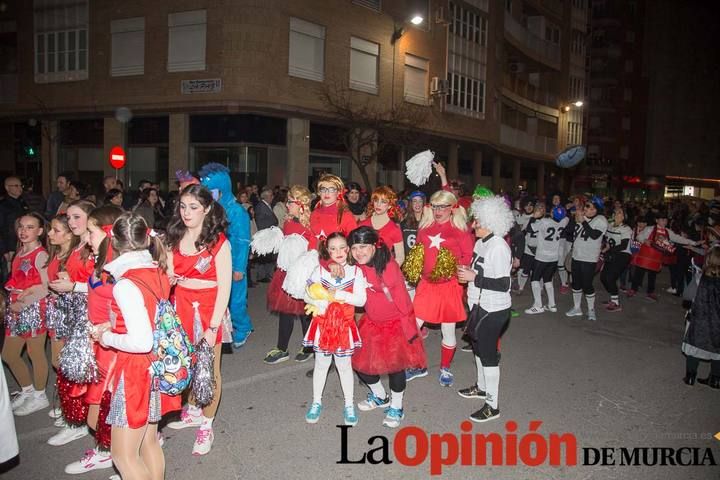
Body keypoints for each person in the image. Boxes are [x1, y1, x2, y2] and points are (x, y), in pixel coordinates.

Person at [91, 213, 171, 480]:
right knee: (148, 441)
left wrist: (106, 337)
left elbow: (140, 341)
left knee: (124, 455)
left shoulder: (125, 283)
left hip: (136, 371)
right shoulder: (157, 270)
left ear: (113, 241)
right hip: (155, 365)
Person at [165, 184, 231, 456]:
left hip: (208, 311)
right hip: (179, 307)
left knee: (209, 370)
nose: (186, 212)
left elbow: (224, 287)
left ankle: (207, 423)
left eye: (193, 207)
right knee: (187, 364)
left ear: (206, 208)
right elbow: (167, 274)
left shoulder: (218, 241)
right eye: (182, 206)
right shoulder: (173, 236)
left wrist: (213, 326)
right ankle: (192, 410)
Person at [63, 205, 124, 475]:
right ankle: (111, 451)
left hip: (112, 347)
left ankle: (126, 456)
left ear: (108, 232)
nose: (86, 237)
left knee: (102, 411)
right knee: (96, 412)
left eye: (91, 231)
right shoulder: (101, 260)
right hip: (97, 341)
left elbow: (133, 308)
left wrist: (109, 327)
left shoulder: (119, 267)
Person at [349, 226, 425, 428]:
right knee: (360, 365)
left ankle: (397, 406)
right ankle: (380, 396)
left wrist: (409, 331)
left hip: (395, 325)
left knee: (395, 368)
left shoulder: (388, 268)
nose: (358, 252)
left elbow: (403, 303)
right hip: (371, 323)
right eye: (354, 247)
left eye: (363, 246)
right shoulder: (358, 265)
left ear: (375, 246)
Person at [404, 190, 474, 386]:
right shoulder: (425, 226)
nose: (438, 210)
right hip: (426, 285)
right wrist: (414, 269)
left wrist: (453, 267)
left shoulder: (460, 229)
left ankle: (445, 367)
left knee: (448, 330)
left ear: (452, 208)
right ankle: (416, 365)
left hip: (449, 286)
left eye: (443, 206)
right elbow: (418, 252)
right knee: (411, 327)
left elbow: (467, 257)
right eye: (435, 206)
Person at [457, 195, 514, 422]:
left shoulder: (499, 246)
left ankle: (492, 405)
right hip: (478, 305)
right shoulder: (482, 242)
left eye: (477, 222)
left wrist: (474, 277)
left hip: (493, 308)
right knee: (478, 349)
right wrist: (470, 273)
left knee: (489, 355)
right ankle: (481, 387)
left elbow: (503, 284)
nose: (473, 225)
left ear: (491, 221)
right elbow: (480, 271)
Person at [303, 232, 366, 425]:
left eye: (341, 247)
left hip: (344, 327)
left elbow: (361, 300)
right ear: (327, 250)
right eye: (333, 248)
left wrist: (338, 295)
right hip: (323, 326)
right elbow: (306, 294)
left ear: (348, 249)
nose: (337, 252)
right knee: (321, 365)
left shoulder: (356, 272)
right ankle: (316, 402)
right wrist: (319, 300)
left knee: (344, 367)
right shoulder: (320, 271)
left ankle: (349, 404)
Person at [47, 200, 96, 446]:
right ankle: (76, 418)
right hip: (74, 312)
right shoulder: (79, 247)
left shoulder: (95, 247)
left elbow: (107, 286)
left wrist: (74, 285)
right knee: (73, 369)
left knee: (81, 372)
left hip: (91, 316)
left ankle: (79, 421)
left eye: (77, 217)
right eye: (70, 218)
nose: (72, 222)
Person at [199, 163, 253, 349]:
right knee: (217, 300)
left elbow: (243, 241)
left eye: (212, 191)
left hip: (232, 262)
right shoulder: (210, 210)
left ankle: (243, 327)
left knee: (236, 300)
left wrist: (239, 268)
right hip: (213, 263)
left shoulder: (237, 212)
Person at [263, 185, 316, 364]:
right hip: (285, 272)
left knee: (304, 312)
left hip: (302, 274)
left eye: (291, 202)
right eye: (288, 201)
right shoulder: (288, 221)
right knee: (286, 311)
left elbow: (313, 249)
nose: (287, 205)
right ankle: (282, 348)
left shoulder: (310, 224)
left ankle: (309, 346)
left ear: (301, 204)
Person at [3, 212, 50, 416]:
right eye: (21, 226)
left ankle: (40, 395)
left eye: (30, 227)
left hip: (33, 309)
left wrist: (23, 303)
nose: (24, 231)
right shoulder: (19, 251)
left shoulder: (41, 255)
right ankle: (27, 390)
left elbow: (46, 287)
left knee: (35, 352)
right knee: (9, 354)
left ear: (40, 231)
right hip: (16, 309)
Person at [628, 210, 699, 301]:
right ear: (657, 220)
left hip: (656, 258)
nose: (664, 222)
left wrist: (694, 243)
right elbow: (639, 237)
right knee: (638, 272)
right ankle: (633, 289)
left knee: (652, 275)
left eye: (665, 220)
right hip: (645, 256)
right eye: (662, 220)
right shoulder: (649, 228)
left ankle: (650, 292)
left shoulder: (668, 231)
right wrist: (645, 240)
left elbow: (678, 238)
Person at [682, 246, 720, 388]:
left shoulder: (700, 278)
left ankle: (690, 377)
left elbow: (687, 296)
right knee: (718, 350)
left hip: (700, 318)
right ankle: (716, 380)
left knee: (695, 346)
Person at [566, 196, 608, 322]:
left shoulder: (601, 220)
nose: (587, 209)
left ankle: (591, 309)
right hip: (577, 255)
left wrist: (583, 220)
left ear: (596, 210)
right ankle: (577, 307)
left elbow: (594, 235)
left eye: (590, 207)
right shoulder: (581, 217)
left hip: (589, 258)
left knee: (587, 285)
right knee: (576, 283)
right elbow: (568, 231)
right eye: (586, 206)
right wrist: (574, 218)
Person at [524, 204, 568, 314]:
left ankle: (538, 305)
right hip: (554, 257)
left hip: (542, 256)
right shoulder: (563, 222)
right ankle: (552, 304)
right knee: (548, 279)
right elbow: (566, 217)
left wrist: (534, 216)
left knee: (535, 279)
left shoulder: (544, 222)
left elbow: (529, 229)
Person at [360, 186, 405, 265]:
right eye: (376, 200)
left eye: (383, 202)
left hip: (385, 271)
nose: (378, 204)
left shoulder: (394, 229)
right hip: (364, 271)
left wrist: (389, 271)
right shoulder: (362, 224)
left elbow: (400, 257)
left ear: (390, 205)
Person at [601, 209, 633, 312]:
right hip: (612, 253)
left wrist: (608, 250)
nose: (617, 214)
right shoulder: (610, 225)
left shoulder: (626, 228)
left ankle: (616, 303)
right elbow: (607, 240)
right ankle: (613, 297)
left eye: (620, 213)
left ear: (624, 217)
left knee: (610, 277)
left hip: (623, 255)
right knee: (603, 277)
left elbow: (623, 245)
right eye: (615, 212)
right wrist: (604, 248)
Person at [0, 176, 30, 284]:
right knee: (7, 276)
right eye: (16, 186)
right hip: (9, 246)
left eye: (20, 186)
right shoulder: (3, 206)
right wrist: (4, 250)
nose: (20, 189)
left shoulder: (22, 202)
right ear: (7, 188)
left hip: (22, 244)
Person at [310, 174, 357, 240]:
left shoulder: (346, 216)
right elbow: (312, 239)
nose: (327, 193)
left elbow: (353, 242)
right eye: (323, 189)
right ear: (319, 192)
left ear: (338, 193)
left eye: (331, 189)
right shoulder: (314, 214)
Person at [253, 187, 279, 283]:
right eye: (271, 195)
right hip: (265, 234)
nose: (272, 197)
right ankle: (262, 275)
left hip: (269, 233)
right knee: (264, 256)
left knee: (268, 255)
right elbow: (260, 221)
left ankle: (267, 274)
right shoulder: (261, 206)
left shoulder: (267, 205)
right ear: (267, 196)